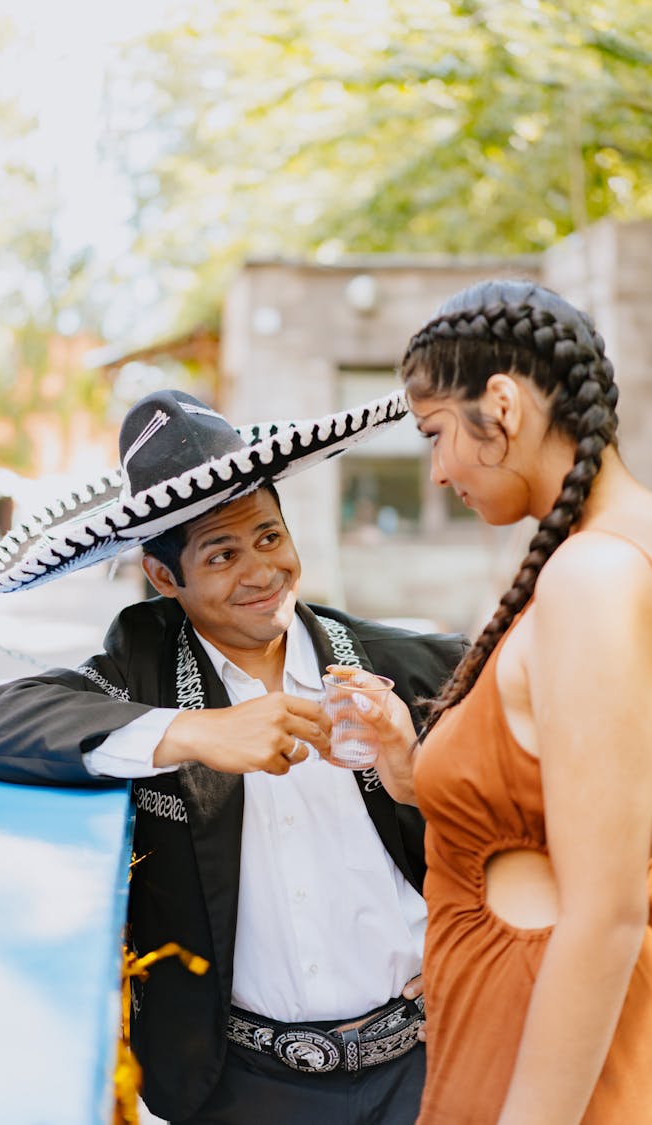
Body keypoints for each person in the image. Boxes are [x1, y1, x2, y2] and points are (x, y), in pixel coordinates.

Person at [0, 388, 467, 1125]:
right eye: (222, 553)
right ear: (166, 577)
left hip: (425, 1065)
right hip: (243, 1089)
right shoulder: (141, 670)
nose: (261, 571)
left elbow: (535, 790)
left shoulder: (407, 664)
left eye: (269, 537)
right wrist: (193, 733)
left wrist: (478, 931)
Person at [383, 279, 652, 1124]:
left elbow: (607, 911)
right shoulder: (611, 552)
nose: (437, 472)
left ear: (500, 403)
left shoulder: (590, 576)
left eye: (437, 435)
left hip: (541, 1057)